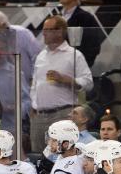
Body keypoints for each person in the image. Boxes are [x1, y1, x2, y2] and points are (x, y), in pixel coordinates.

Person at [30, 15, 93, 153]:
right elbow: (35, 83)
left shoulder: (74, 55)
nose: (44, 33)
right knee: (38, 156)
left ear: (59, 31)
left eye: (47, 30)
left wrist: (67, 80)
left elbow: (88, 82)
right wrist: (33, 105)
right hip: (39, 116)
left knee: (62, 153)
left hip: (63, 113)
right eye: (43, 29)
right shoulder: (41, 55)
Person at [0, 11, 42, 82]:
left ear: (3, 24)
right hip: (11, 83)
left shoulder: (22, 33)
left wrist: (34, 77)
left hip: (30, 80)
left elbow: (37, 56)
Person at [59, 0, 105, 67]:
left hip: (75, 63)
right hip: (57, 61)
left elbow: (94, 44)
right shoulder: (57, 16)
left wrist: (82, 62)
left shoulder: (85, 17)